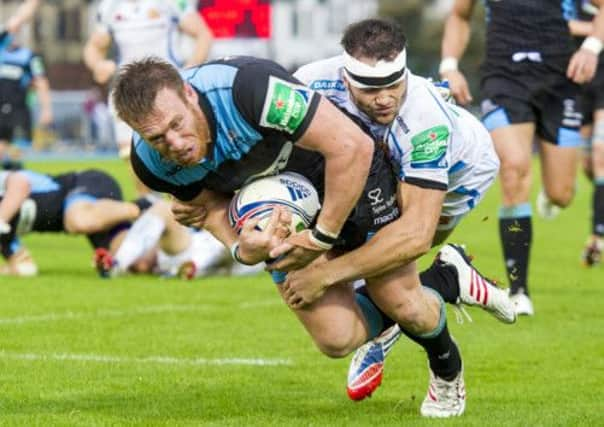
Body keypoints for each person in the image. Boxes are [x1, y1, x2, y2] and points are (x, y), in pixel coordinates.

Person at [111, 55, 513, 418]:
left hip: (345, 174)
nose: (175, 145)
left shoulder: (248, 89)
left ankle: (445, 361)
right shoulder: (153, 165)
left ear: (188, 93)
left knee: (404, 303)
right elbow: (208, 209)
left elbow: (351, 147)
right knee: (337, 338)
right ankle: (446, 278)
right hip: (279, 205)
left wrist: (322, 244)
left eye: (176, 126)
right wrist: (239, 246)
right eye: (157, 139)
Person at [273, 18, 508, 415]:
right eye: (370, 89)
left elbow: (413, 237)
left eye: (393, 85)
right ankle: (440, 283)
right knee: (389, 280)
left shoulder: (424, 121)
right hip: (376, 165)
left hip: (458, 173)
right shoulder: (312, 81)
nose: (384, 98)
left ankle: (444, 360)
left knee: (395, 272)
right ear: (346, 76)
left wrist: (325, 275)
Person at [439, 0, 604, 315]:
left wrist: (592, 47)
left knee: (562, 194)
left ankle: (550, 195)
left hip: (561, 82)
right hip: (504, 80)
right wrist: (450, 65)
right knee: (513, 168)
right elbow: (460, 15)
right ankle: (518, 290)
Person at [83, 0, 213, 195]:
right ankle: (149, 210)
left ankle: (188, 206)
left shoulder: (172, 3)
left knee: (179, 152)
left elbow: (203, 34)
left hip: (165, 94)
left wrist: (189, 70)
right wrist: (97, 65)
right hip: (127, 94)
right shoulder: (109, 6)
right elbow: (93, 47)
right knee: (133, 159)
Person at [0, 168, 143, 276]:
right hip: (93, 219)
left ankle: (144, 205)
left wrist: (2, 219)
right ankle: (155, 217)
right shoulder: (3, 235)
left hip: (85, 185)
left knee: (77, 220)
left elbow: (20, 184)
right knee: (137, 264)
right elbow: (26, 268)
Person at [94, 199, 264, 279]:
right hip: (188, 256)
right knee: (164, 209)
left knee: (164, 209)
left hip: (195, 257)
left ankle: (117, 264)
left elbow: (229, 249)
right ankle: (117, 263)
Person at [570, 0, 604, 266]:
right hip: (579, 80)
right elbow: (556, 23)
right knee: (589, 167)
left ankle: (597, 235)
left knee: (601, 157)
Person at [0, 34, 52, 168]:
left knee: (17, 151)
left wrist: (46, 109)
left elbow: (41, 82)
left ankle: (15, 178)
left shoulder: (30, 57)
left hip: (19, 111)